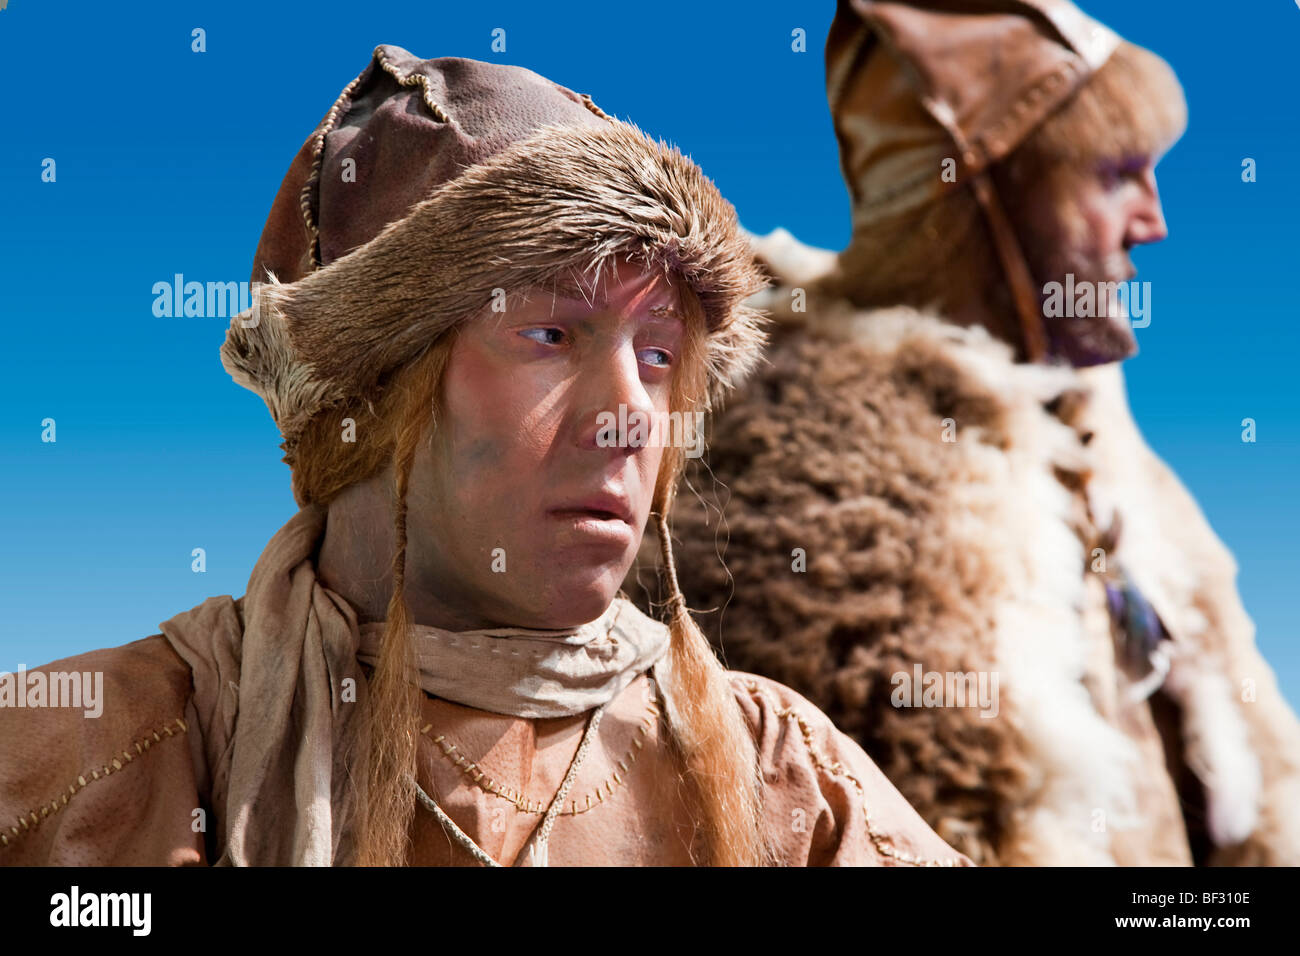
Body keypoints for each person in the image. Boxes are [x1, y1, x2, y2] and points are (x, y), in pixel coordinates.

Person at [0, 45, 971, 868]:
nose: (635, 416)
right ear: (372, 385)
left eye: (660, 353)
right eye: (552, 334)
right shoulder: (86, 762)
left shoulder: (789, 780)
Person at [645, 0, 1300, 865]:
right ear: (984, 200)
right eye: (1115, 174)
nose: (1155, 221)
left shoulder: (1110, 458)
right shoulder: (827, 496)